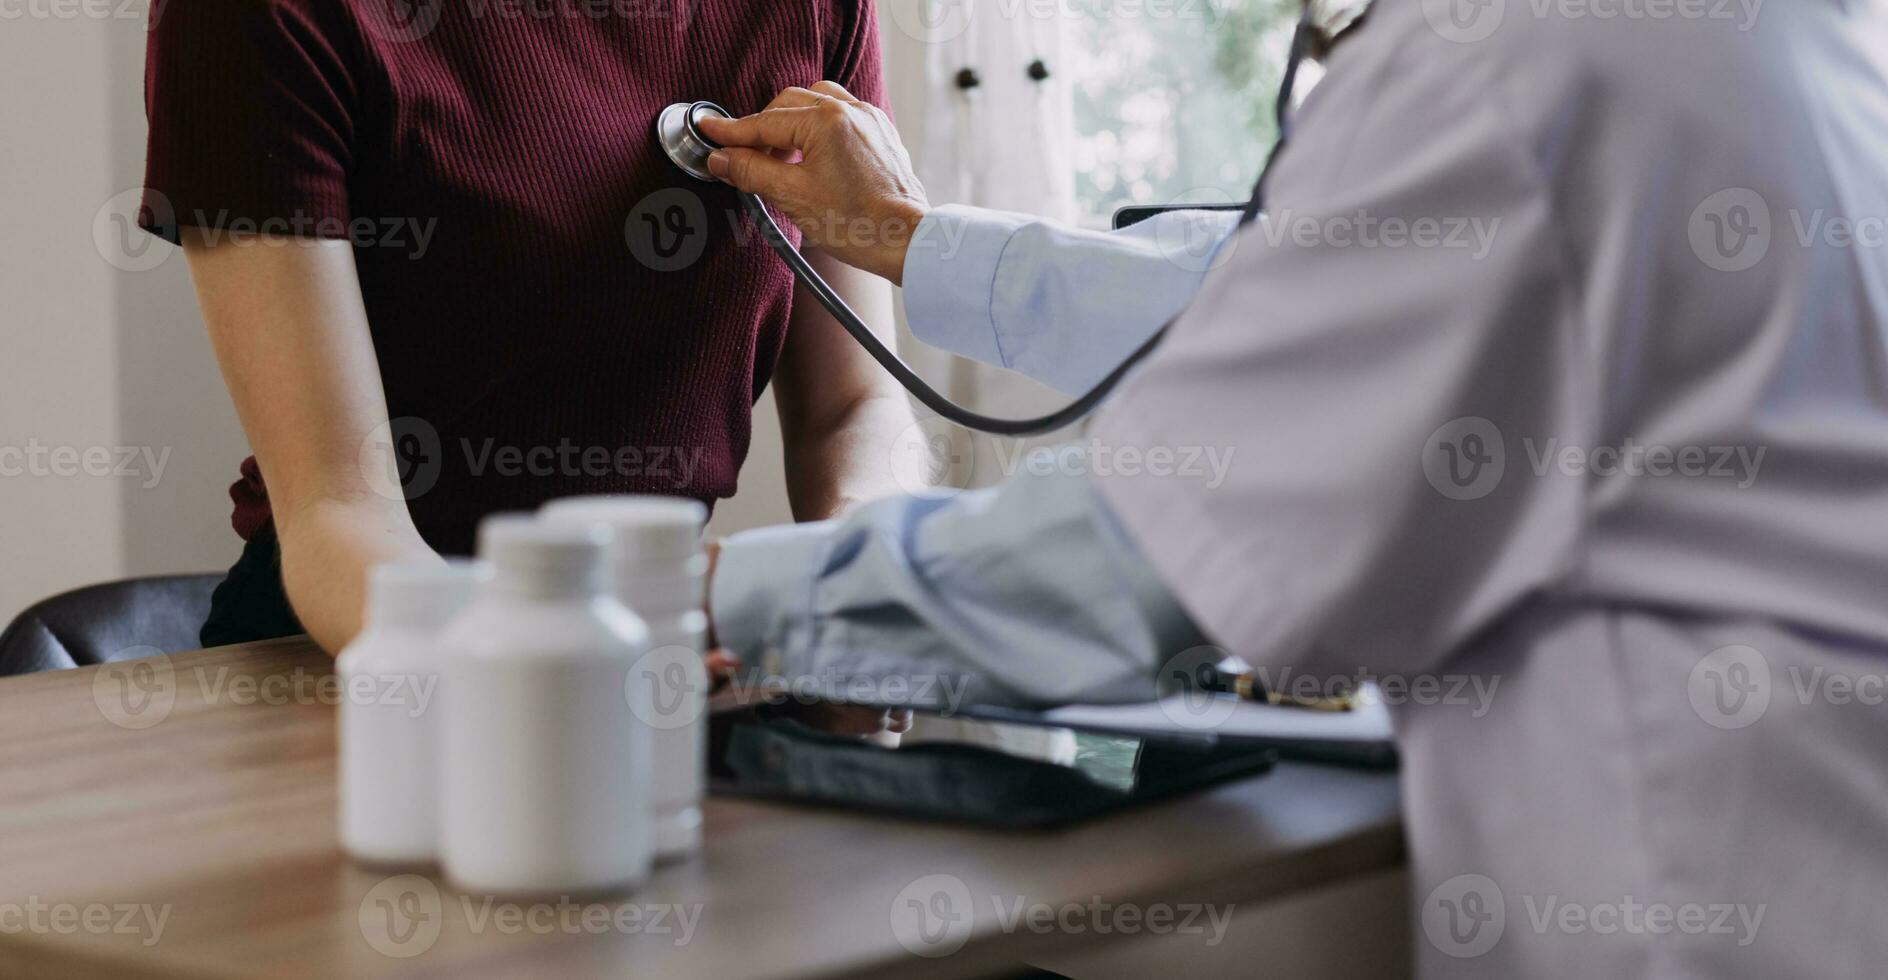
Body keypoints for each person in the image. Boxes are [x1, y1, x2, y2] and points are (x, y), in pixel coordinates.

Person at [699, 3, 1888, 978]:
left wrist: (716, 595)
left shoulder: (1512, 67)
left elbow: (1121, 577)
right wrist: (917, 236)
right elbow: (1304, 296)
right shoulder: (1764, 40)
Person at [138, 0, 920, 653]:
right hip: (378, 644)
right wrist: (554, 669)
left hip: (680, 644)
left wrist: (851, 589)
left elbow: (853, 411)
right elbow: (337, 509)